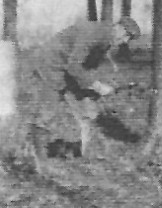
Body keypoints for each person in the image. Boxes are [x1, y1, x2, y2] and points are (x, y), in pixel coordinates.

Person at [28, 17, 142, 157]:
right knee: (47, 111)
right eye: (126, 35)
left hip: (65, 68)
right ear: (117, 27)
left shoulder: (105, 39)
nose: (125, 41)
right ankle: (38, 158)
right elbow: (74, 67)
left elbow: (87, 66)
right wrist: (97, 86)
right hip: (50, 66)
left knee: (86, 108)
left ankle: (85, 152)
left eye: (128, 39)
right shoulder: (94, 35)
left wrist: (93, 87)